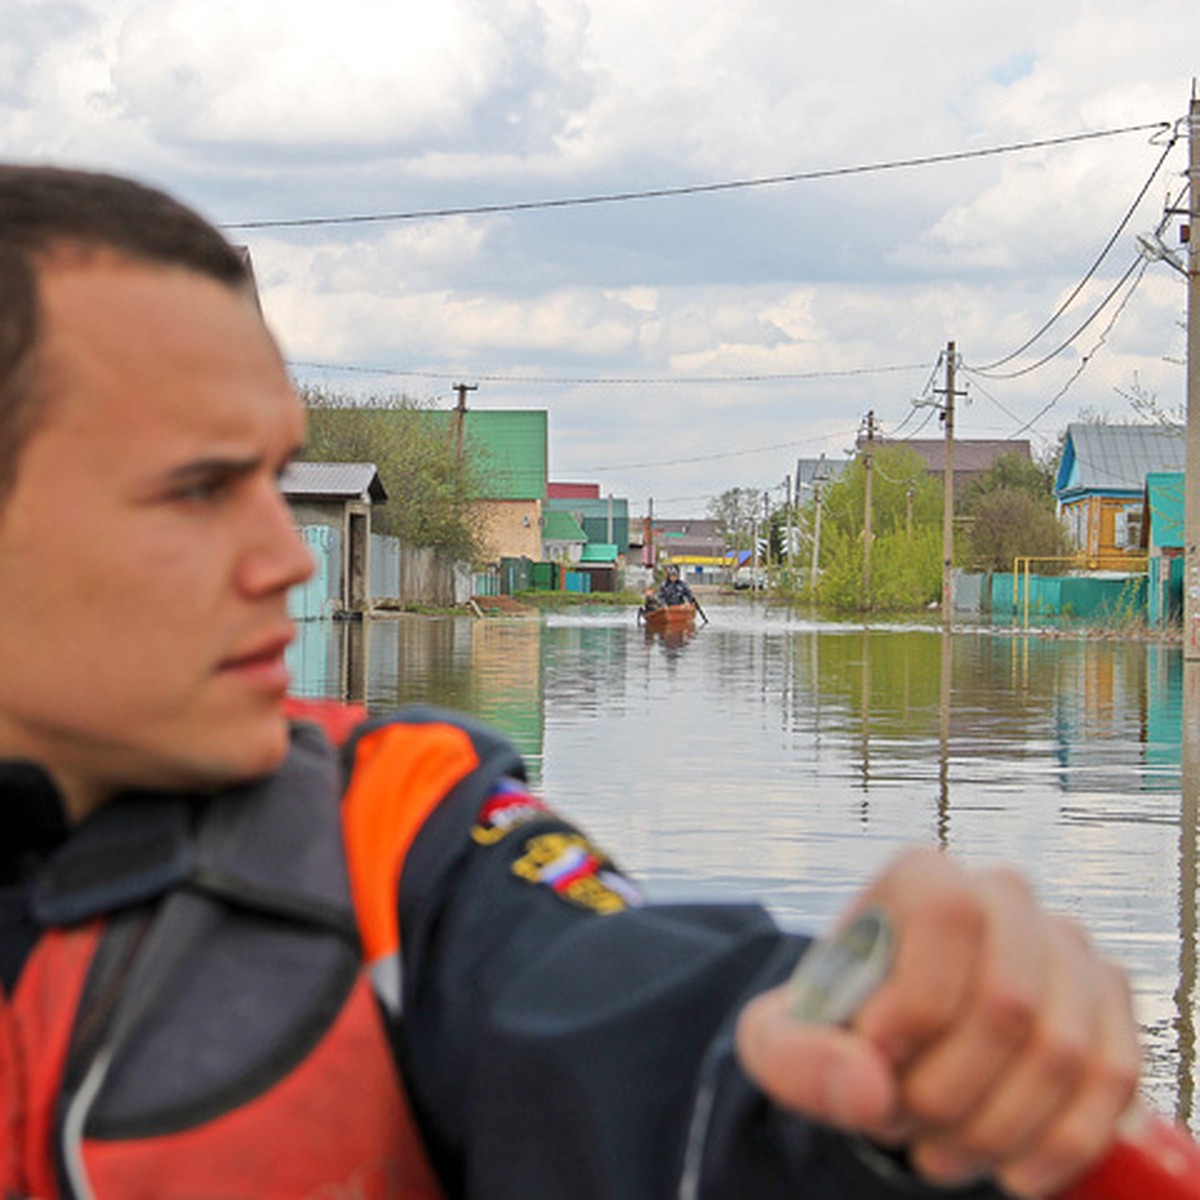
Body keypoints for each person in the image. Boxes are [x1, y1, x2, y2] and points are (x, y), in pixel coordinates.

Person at [0, 163, 1140, 1200]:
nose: (292, 557)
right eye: (197, 490)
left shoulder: (399, 847)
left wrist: (878, 1071)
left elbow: (661, 1046)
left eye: (277, 479)